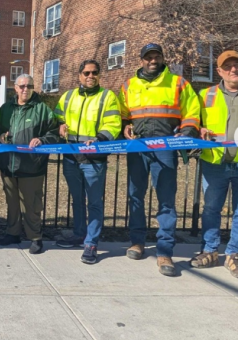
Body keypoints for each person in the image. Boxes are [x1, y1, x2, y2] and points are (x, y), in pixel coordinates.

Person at [118, 43, 200, 277]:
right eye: (148, 57)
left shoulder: (178, 83)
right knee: (135, 195)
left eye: (157, 56)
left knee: (166, 199)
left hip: (166, 147)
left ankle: (164, 250)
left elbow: (192, 112)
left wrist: (184, 136)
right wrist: (125, 127)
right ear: (141, 60)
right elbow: (122, 114)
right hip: (138, 147)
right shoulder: (128, 85)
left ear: (163, 58)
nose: (153, 60)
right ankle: (137, 242)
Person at [54, 60, 122, 264]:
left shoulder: (107, 96)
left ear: (99, 75)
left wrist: (99, 139)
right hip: (71, 156)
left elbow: (114, 124)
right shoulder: (68, 96)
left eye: (94, 72)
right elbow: (56, 117)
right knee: (77, 199)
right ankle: (79, 234)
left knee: (94, 203)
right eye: (86, 73)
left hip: (94, 158)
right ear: (79, 75)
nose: (90, 76)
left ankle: (91, 243)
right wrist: (59, 125)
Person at [0, 74, 59, 254]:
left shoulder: (42, 109)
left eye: (29, 86)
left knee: (32, 204)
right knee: (12, 203)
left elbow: (55, 133)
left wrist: (42, 140)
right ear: (15, 87)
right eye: (21, 86)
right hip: (8, 165)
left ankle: (35, 237)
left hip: (32, 166)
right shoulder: (5, 109)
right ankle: (13, 233)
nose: (25, 90)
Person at [193, 50, 238, 278]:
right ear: (219, 71)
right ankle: (210, 250)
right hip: (214, 162)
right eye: (227, 66)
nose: (233, 70)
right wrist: (198, 128)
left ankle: (234, 253)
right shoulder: (205, 95)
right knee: (211, 209)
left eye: (236, 65)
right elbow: (192, 123)